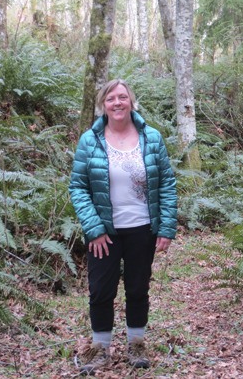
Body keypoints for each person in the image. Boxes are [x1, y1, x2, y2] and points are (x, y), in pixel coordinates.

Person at [69, 79, 177, 375]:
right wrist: (94, 228)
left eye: (122, 97)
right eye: (110, 99)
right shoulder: (90, 141)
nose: (117, 103)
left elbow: (167, 183)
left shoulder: (151, 137)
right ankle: (100, 348)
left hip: (143, 228)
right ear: (103, 105)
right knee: (101, 290)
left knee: (138, 287)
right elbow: (78, 187)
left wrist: (166, 227)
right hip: (104, 231)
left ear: (131, 102)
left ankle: (136, 344)